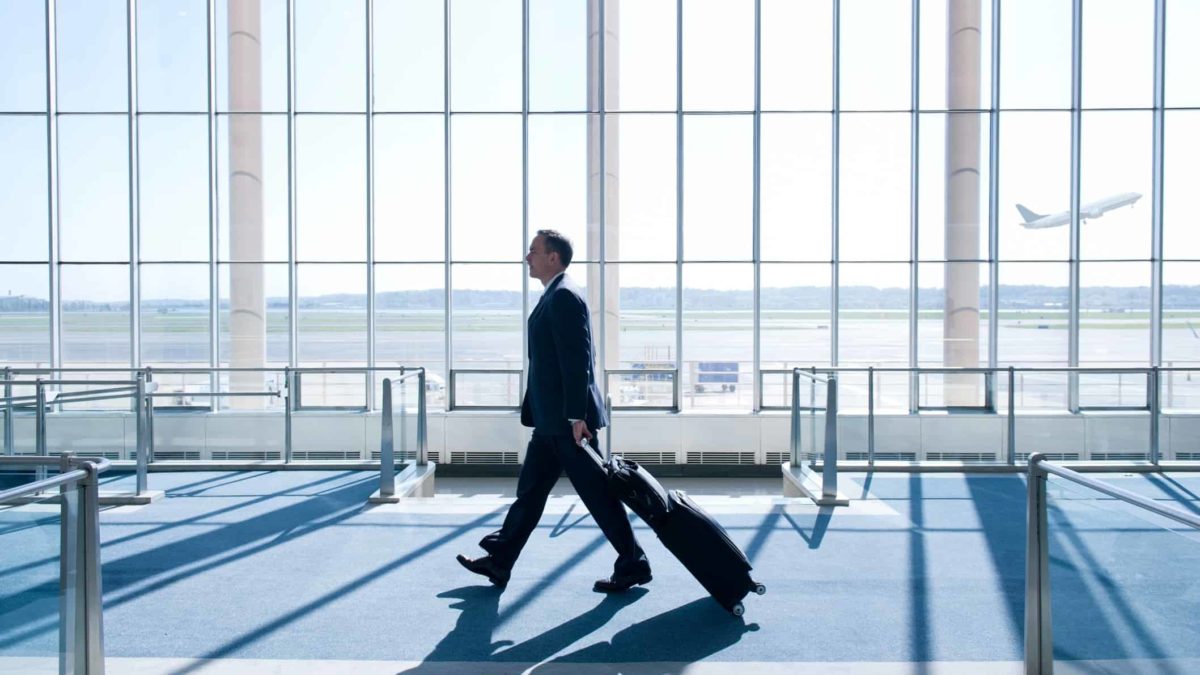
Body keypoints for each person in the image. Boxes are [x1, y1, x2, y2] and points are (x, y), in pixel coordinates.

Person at [456, 230, 652, 593]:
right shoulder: (555, 294)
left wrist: (577, 417)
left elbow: (578, 362)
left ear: (553, 257)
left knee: (598, 496)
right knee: (530, 493)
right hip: (551, 422)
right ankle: (500, 561)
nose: (527, 257)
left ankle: (633, 563)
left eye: (533, 251)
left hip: (567, 424)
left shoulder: (563, 296)